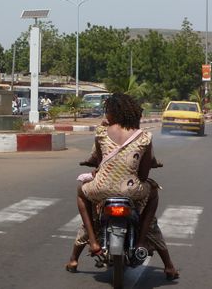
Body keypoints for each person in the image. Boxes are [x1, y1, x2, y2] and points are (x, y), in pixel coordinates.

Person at [70, 93, 179, 280]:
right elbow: (144, 175)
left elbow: (97, 159)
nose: (106, 115)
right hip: (131, 190)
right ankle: (143, 242)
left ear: (113, 112)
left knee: (81, 192)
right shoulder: (144, 137)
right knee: (153, 193)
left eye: (107, 111)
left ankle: (93, 242)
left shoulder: (101, 132)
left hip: (101, 188)